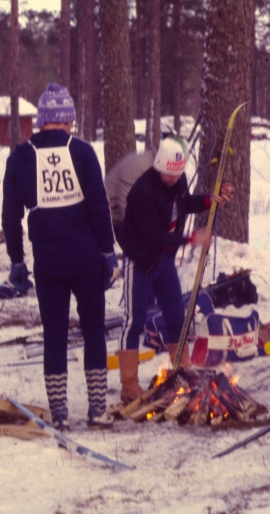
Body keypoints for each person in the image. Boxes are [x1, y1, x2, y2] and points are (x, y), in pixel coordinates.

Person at [1, 83, 118, 431]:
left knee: (54, 333)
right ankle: (98, 409)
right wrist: (108, 251)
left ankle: (61, 414)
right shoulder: (82, 152)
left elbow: (10, 217)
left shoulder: (20, 157)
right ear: (67, 120)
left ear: (41, 121)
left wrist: (17, 261)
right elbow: (99, 207)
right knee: (94, 329)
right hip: (86, 256)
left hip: (48, 259)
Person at [116, 137, 234, 403]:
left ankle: (182, 371)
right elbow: (152, 237)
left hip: (165, 261)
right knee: (134, 321)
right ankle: (129, 386)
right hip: (142, 260)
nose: (173, 179)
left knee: (176, 317)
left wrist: (208, 200)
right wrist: (192, 239)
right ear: (159, 167)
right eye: (168, 175)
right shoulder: (143, 192)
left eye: (177, 174)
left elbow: (184, 203)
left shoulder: (178, 179)